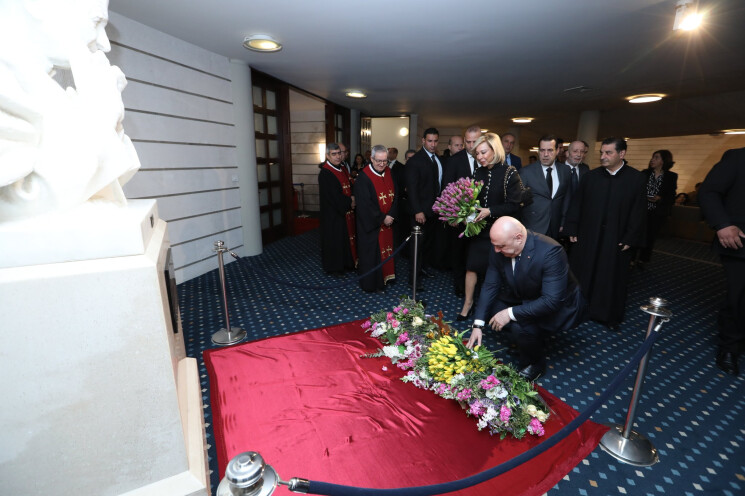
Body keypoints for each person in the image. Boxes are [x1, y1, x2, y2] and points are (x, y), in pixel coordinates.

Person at [466, 217, 587, 381]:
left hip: (558, 305)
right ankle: (528, 340)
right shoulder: (499, 247)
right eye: (494, 245)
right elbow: (490, 285)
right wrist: (477, 324)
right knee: (492, 308)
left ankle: (536, 364)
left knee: (520, 326)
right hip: (526, 295)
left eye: (501, 246)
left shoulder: (551, 251)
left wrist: (509, 313)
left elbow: (552, 301)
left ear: (518, 238)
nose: (496, 250)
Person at [564, 137, 647, 330]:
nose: (603, 156)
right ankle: (577, 310)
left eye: (608, 153)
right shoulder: (590, 177)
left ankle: (605, 315)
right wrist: (572, 227)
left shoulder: (636, 179)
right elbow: (577, 204)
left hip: (616, 239)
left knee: (611, 276)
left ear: (622, 154)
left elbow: (639, 212)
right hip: (589, 236)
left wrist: (631, 236)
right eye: (602, 152)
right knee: (582, 273)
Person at [457, 133, 523, 320]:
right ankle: (468, 304)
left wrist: (490, 211)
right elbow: (471, 201)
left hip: (500, 231)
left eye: (483, 152)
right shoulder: (477, 172)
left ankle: (493, 308)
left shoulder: (509, 172)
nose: (480, 157)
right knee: (471, 267)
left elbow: (515, 205)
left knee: (495, 272)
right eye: (477, 153)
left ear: (495, 150)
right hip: (479, 229)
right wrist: (463, 216)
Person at [698, 147, 745, 376]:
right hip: (739, 243)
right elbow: (708, 192)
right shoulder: (737, 157)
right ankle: (730, 347)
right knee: (739, 297)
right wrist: (722, 224)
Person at [442, 126, 482, 297]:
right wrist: (453, 216)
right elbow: (446, 188)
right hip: (460, 218)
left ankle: (478, 287)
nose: (471, 145)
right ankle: (460, 286)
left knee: (478, 252)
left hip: (482, 216)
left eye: (475, 141)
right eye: (468, 141)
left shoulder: (487, 158)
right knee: (459, 253)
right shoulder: (454, 161)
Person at [354, 145, 398, 292]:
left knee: (388, 249)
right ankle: (374, 283)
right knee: (372, 255)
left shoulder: (389, 172)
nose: (382, 164)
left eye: (385, 161)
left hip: (389, 220)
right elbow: (365, 205)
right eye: (378, 161)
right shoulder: (363, 177)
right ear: (371, 159)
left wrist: (391, 214)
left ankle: (387, 277)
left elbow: (396, 195)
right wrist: (383, 218)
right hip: (372, 225)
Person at [404, 127, 444, 289]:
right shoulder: (415, 161)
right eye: (430, 141)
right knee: (416, 247)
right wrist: (417, 211)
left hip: (434, 211)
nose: (433, 144)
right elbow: (412, 189)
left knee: (427, 245)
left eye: (435, 141)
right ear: (423, 141)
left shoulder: (437, 159)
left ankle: (422, 270)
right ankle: (413, 280)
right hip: (420, 212)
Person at [519, 135, 572, 241]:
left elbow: (567, 198)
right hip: (532, 227)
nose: (546, 154)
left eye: (550, 150)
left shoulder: (565, 171)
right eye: (542, 150)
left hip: (556, 227)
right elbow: (518, 202)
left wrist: (563, 222)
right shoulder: (526, 172)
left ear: (557, 151)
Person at [318, 143, 357, 274]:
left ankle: (348, 263)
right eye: (334, 154)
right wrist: (350, 202)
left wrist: (353, 197)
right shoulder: (325, 173)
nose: (337, 156)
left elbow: (350, 184)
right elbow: (333, 195)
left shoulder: (342, 168)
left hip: (345, 211)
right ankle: (335, 268)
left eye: (339, 153)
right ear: (327, 156)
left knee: (345, 239)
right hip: (333, 214)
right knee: (335, 241)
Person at [636, 150, 678, 267]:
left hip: (657, 212)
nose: (652, 160)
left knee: (650, 237)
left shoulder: (671, 176)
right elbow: (636, 190)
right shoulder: (644, 173)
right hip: (641, 211)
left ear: (663, 161)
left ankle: (643, 259)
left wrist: (660, 198)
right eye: (652, 157)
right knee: (636, 234)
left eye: (656, 157)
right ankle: (631, 259)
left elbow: (671, 196)